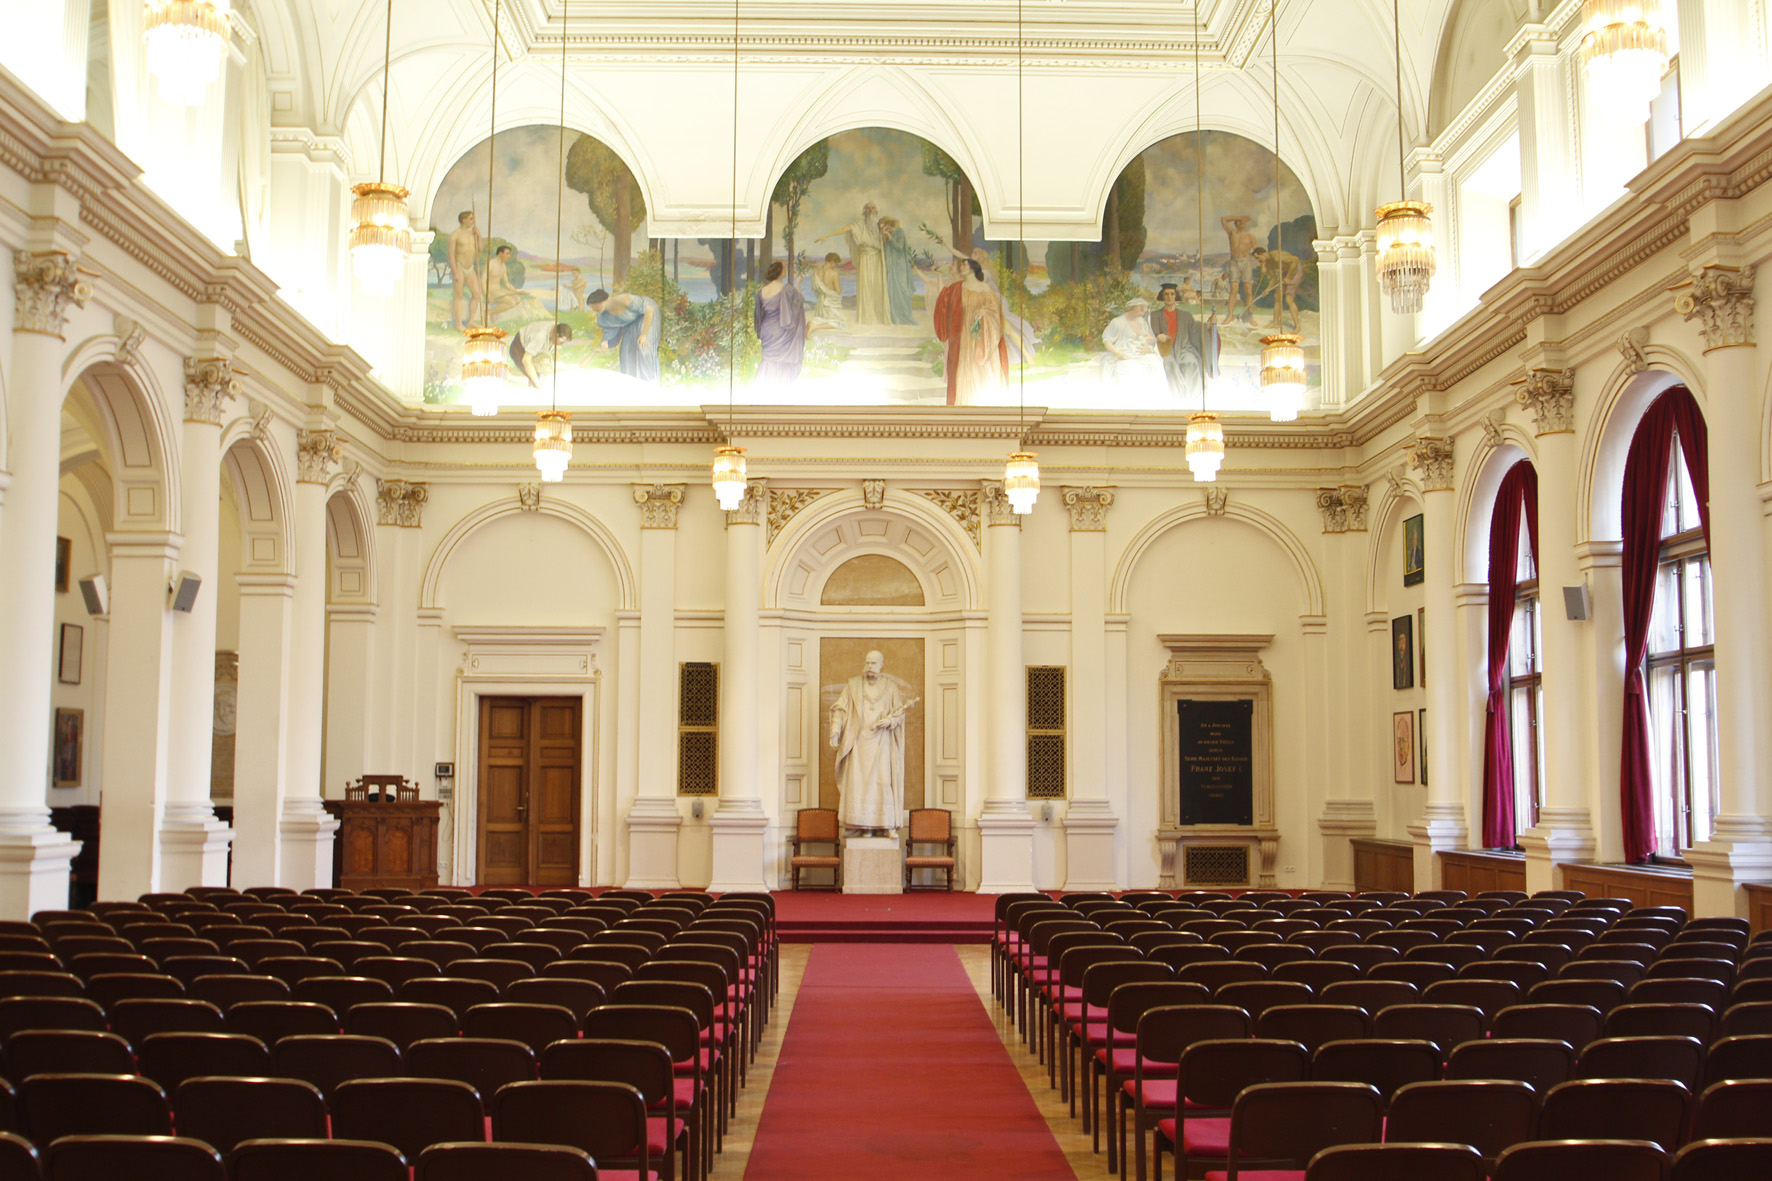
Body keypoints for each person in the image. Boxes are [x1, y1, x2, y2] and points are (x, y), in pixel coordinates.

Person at [828, 650, 911, 835]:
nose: (869, 667)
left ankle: (885, 825)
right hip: (858, 743)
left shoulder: (890, 687)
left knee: (882, 782)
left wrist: (889, 721)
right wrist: (835, 732)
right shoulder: (853, 686)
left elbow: (899, 714)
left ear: (881, 665)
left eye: (873, 663)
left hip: (881, 743)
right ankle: (863, 826)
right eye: (867, 663)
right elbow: (840, 709)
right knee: (859, 784)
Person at [931, 256, 1007, 406]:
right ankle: (962, 402)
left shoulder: (985, 288)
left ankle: (982, 403)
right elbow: (943, 298)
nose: (961, 267)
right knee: (962, 369)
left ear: (973, 268)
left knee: (979, 369)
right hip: (962, 338)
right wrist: (939, 276)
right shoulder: (957, 287)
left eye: (964, 265)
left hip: (980, 338)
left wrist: (983, 314)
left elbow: (995, 314)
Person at [815, 202, 887, 325]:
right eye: (867, 208)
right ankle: (867, 317)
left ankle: (879, 316)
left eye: (872, 208)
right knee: (866, 286)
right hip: (865, 259)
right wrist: (827, 235)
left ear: (876, 211)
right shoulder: (859, 225)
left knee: (877, 286)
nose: (870, 211)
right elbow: (844, 229)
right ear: (864, 211)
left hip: (877, 260)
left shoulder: (880, 226)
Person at [970, 248, 1039, 364]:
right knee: (994, 330)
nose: (972, 254)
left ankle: (1028, 356)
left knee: (1008, 328)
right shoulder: (977, 271)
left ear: (981, 257)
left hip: (996, 302)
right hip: (988, 303)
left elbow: (978, 285)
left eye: (975, 253)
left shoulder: (984, 272)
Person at [1150, 282, 1218, 398]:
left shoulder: (1185, 315)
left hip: (1185, 349)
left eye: (1172, 294)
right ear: (1162, 296)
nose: (1169, 297)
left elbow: (1196, 329)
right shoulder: (1154, 315)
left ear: (1176, 296)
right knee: (1168, 364)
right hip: (1164, 351)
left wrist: (1209, 323)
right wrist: (1157, 336)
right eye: (1166, 294)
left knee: (1190, 362)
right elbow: (1149, 332)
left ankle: (1194, 398)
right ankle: (1177, 398)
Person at [588, 288, 661, 383]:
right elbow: (609, 329)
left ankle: (649, 381)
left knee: (642, 347)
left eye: (594, 306)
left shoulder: (624, 300)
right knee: (626, 351)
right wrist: (605, 342)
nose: (594, 310)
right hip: (630, 322)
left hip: (647, 316)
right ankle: (632, 383)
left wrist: (643, 334)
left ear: (601, 302)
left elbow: (649, 310)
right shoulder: (602, 316)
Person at [753, 260, 807, 386]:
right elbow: (798, 303)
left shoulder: (762, 291)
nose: (785, 271)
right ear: (780, 272)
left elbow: (758, 316)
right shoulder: (786, 289)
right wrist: (799, 282)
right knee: (782, 363)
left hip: (767, 331)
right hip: (781, 331)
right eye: (784, 269)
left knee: (768, 361)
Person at [1100, 296, 1165, 395]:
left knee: (1156, 363)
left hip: (1140, 354)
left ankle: (1155, 396)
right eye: (1141, 309)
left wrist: (1149, 346)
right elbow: (1106, 340)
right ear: (1134, 307)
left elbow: (1149, 338)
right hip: (1124, 354)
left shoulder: (1141, 321)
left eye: (1144, 311)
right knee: (1132, 369)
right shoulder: (1117, 322)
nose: (1142, 313)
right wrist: (1116, 352)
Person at [1252, 246, 1305, 333]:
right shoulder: (1268, 263)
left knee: (1289, 298)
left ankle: (1297, 326)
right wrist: (1267, 289)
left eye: (1258, 258)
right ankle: (1275, 323)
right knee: (1277, 295)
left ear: (1262, 254)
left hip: (1296, 271)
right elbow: (1273, 279)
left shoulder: (1276, 256)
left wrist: (1288, 277)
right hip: (1286, 273)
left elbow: (1295, 260)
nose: (1258, 261)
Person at [509, 320, 572, 389]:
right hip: (519, 347)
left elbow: (556, 350)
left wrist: (559, 365)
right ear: (555, 335)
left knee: (544, 373)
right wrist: (537, 384)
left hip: (535, 347)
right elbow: (526, 360)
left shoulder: (559, 329)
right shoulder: (540, 338)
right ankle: (510, 376)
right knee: (532, 378)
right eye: (561, 342)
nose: (562, 345)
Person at [448, 210, 484, 329]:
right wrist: (455, 271)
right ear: (463, 220)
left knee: (477, 294)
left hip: (470, 268)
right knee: (459, 295)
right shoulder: (455, 235)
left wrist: (479, 236)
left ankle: (471, 321)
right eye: (470, 219)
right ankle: (458, 323)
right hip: (459, 266)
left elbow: (480, 249)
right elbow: (451, 254)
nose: (472, 221)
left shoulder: (472, 234)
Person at [880, 217, 917, 326]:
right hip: (891, 267)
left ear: (889, 224)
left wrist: (889, 236)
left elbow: (899, 247)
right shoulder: (887, 236)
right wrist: (884, 238)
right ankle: (895, 316)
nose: (884, 229)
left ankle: (905, 315)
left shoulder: (899, 232)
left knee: (902, 288)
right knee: (893, 291)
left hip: (900, 266)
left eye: (885, 226)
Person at [1222, 214, 1259, 322]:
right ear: (1236, 223)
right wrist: (1237, 217)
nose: (1241, 222)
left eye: (1242, 221)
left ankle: (1250, 316)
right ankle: (1230, 315)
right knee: (1233, 289)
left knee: (1248, 290)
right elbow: (1223, 219)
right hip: (1234, 262)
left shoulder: (1250, 236)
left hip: (1246, 262)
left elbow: (1257, 251)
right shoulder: (1232, 233)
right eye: (1239, 221)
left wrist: (1263, 264)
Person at [486, 244, 526, 320]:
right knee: (511, 302)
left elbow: (507, 283)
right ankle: (489, 312)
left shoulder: (503, 266)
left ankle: (494, 312)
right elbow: (483, 281)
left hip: (499, 290)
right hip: (491, 291)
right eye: (507, 253)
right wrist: (487, 295)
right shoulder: (490, 264)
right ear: (500, 253)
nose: (509, 256)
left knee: (518, 299)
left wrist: (516, 292)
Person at [809, 251, 846, 329]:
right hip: (830, 303)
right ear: (832, 262)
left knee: (821, 319)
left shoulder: (816, 272)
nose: (835, 266)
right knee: (841, 324)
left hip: (820, 303)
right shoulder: (834, 273)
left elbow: (815, 289)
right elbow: (838, 291)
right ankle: (814, 326)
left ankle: (814, 324)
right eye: (836, 264)